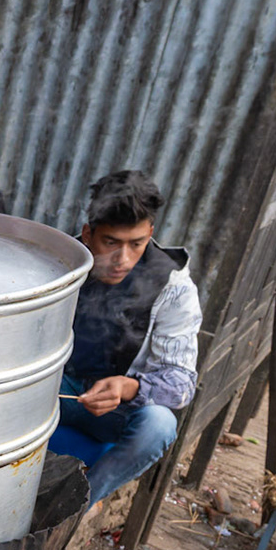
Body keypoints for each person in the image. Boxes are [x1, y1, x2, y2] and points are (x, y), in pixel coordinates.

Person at [55, 170, 201, 505]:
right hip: (51, 391)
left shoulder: (173, 288)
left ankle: (73, 507)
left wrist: (128, 387)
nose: (122, 260)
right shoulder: (58, 261)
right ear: (88, 233)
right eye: (111, 243)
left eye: (136, 244)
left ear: (150, 233)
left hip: (113, 410)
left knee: (160, 425)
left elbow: (181, 383)